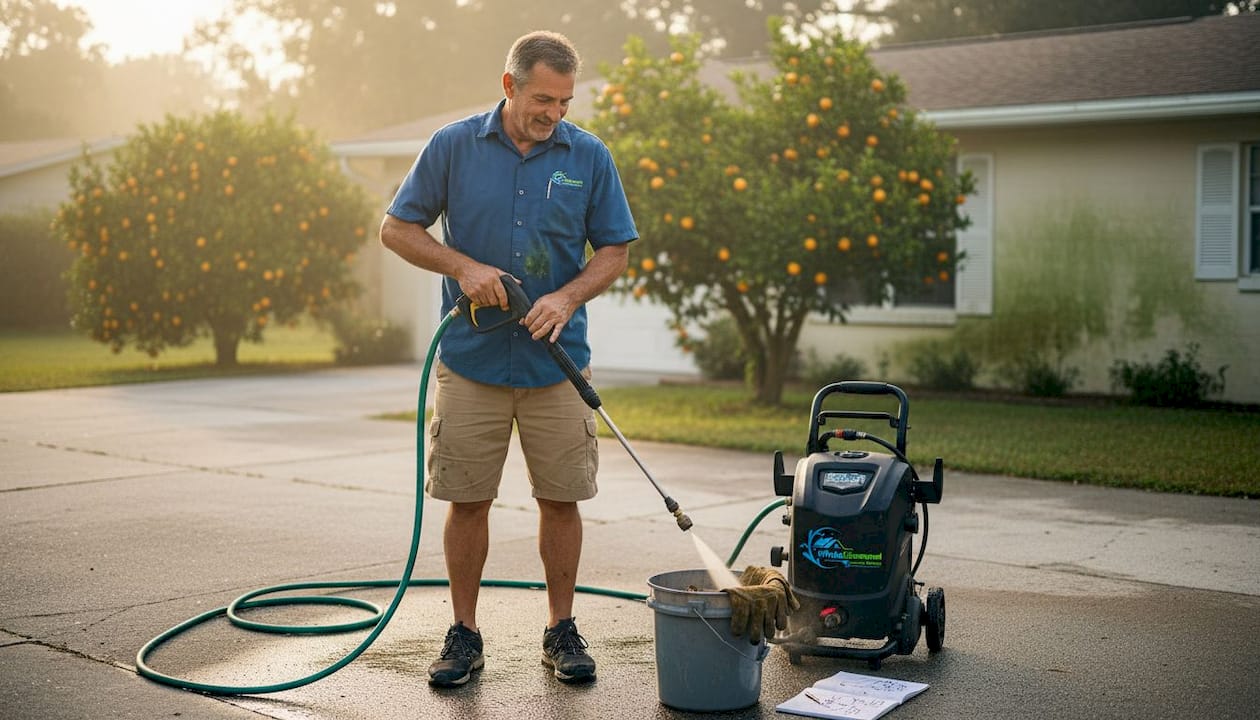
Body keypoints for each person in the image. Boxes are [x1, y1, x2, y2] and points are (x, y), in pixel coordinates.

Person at [379, 30, 637, 687]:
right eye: (542, 99)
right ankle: (464, 635)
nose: (554, 113)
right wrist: (460, 266)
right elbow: (396, 227)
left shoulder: (589, 156)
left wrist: (568, 295)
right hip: (472, 360)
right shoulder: (453, 146)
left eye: (565, 102)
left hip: (555, 363)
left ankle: (561, 630)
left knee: (561, 498)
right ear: (509, 86)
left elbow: (614, 251)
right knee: (467, 500)